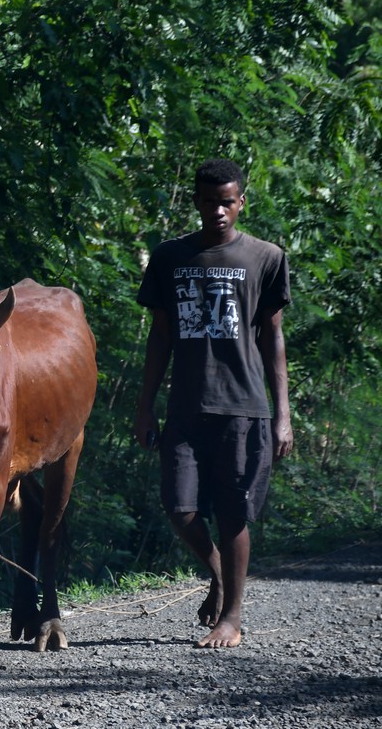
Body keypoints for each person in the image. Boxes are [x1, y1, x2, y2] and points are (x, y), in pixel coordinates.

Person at [134, 158, 293, 648]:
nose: (219, 210)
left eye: (228, 201)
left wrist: (283, 415)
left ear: (241, 202)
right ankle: (220, 575)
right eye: (210, 201)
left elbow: (273, 337)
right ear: (197, 202)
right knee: (179, 507)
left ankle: (232, 618)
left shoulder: (266, 257)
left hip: (244, 407)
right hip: (185, 404)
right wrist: (145, 405)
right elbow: (160, 337)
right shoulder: (170, 257)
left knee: (233, 513)